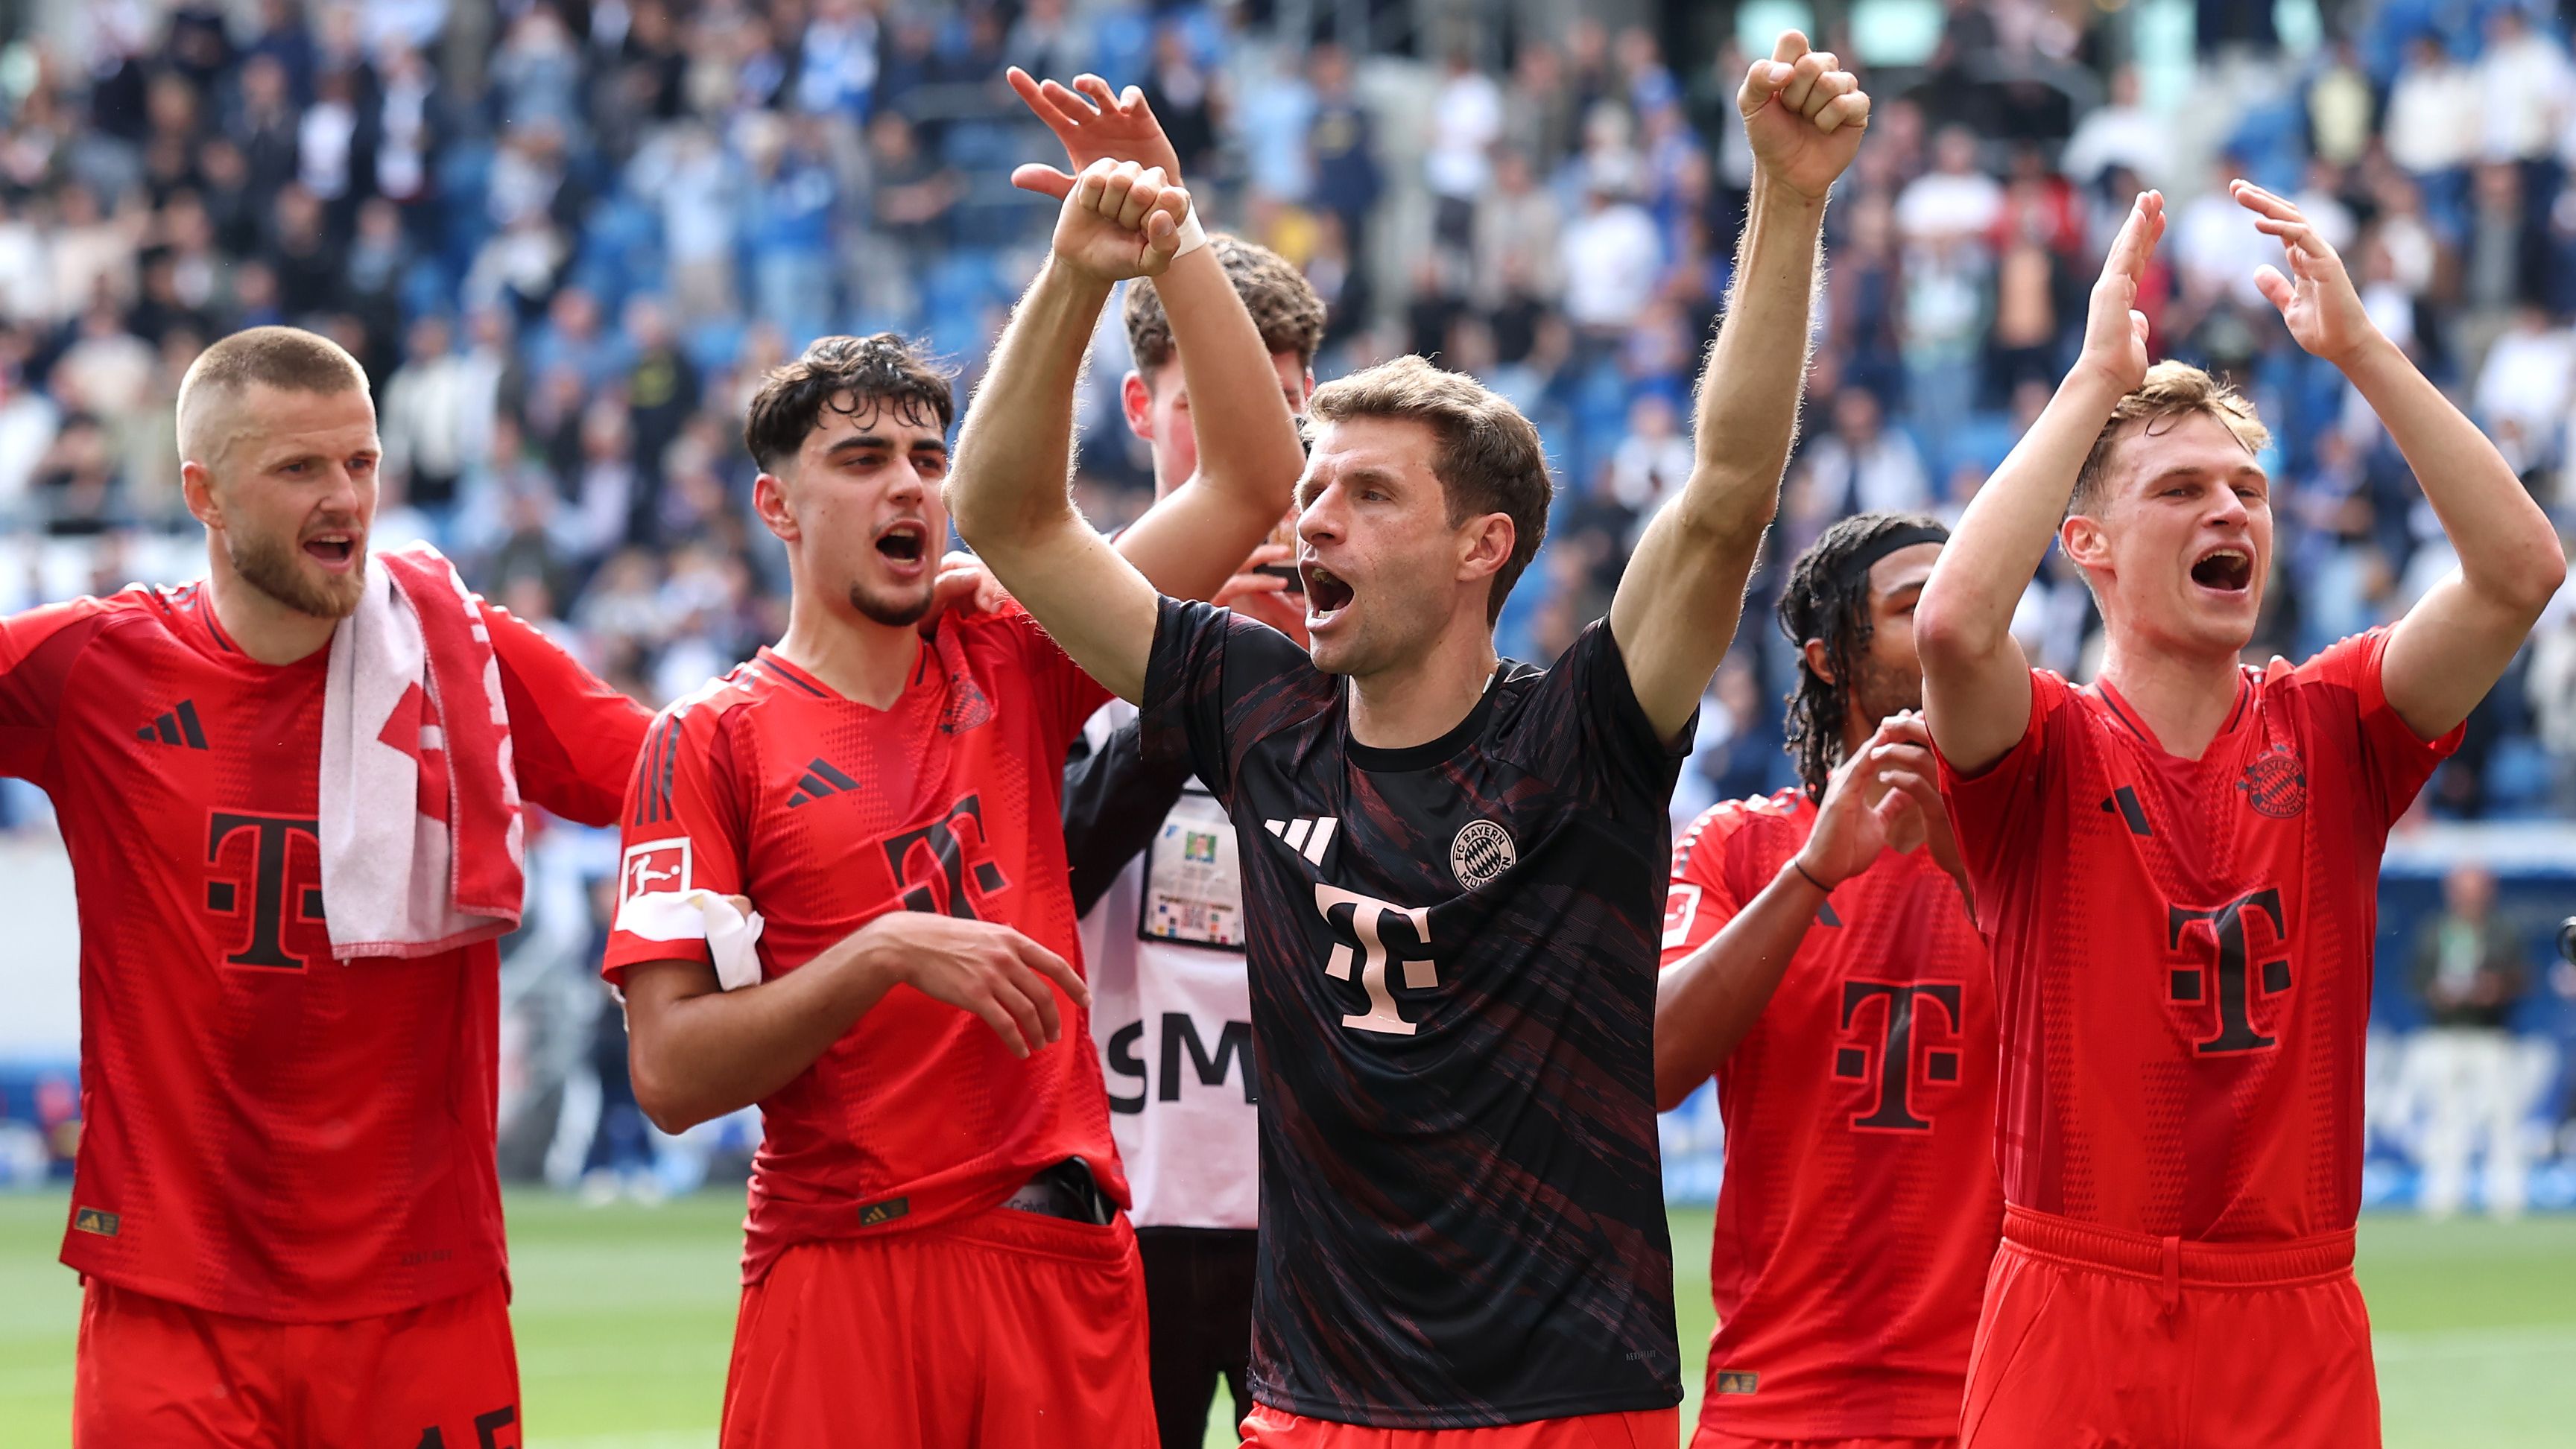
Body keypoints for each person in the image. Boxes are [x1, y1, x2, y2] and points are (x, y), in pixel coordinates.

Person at [949, 33, 1868, 1446]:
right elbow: (1011, 520)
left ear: (1480, 546)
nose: (1310, 519)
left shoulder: (1584, 732)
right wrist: (1090, 270)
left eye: (1367, 495)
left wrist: (1788, 202)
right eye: (1312, 488)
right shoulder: (1257, 708)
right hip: (1316, 1408)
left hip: (1565, 1408)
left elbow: (1726, 492)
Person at [601, 152, 1305, 1449]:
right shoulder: (705, 739)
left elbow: (1249, 487)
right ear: (774, 506)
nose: (909, 485)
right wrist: (877, 955)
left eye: (928, 457)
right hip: (841, 1264)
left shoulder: (1013, 655)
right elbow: (669, 1073)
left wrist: (1141, 253)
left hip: (1059, 1262)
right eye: (862, 458)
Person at [1914, 181, 2565, 1447]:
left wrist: (2361, 351)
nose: (2228, 510)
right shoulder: (2040, 746)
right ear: (2086, 544)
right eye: (2179, 490)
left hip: (2292, 1310)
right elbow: (1950, 626)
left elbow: (2520, 572)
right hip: (2072, 1297)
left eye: (2248, 490)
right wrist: (2092, 383)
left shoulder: (2335, 726)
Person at [1, 326, 649, 1444]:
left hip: (420, 1290)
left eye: (361, 462)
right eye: (300, 467)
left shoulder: (462, 658)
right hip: (172, 1296)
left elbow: (683, 775)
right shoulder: (93, 666)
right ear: (204, 494)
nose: (345, 498)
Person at [1004, 66, 1328, 1449]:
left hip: (1306, 1211)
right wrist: (1193, 675)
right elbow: (1048, 862)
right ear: (1140, 409)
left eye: (1295, 404)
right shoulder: (1036, 625)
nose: (1272, 434)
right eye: (1219, 401)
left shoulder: (1358, 645)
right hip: (1109, 1197)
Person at [1657, 512, 2001, 1449]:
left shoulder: (2039, 842)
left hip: (1992, 1401)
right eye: (1915, 605)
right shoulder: (1737, 844)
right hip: (1776, 1399)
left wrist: (1975, 871)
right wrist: (1810, 874)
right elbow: (1651, 1064)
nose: (1951, 623)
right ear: (1826, 659)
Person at [2405, 862, 2534, 1219]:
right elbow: (2415, 980)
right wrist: (2436, 993)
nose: (2469, 899)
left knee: (2502, 1118)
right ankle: (2443, 1196)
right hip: (2444, 1035)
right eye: (2463, 891)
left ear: (2488, 893)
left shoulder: (2503, 931)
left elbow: (2522, 978)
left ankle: (2508, 1197)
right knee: (2445, 1118)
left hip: (2491, 1035)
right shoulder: (2435, 930)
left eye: (2475, 891)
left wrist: (2496, 989)